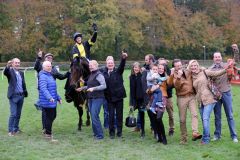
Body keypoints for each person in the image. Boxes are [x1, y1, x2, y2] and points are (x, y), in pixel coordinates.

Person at [188, 59, 230, 144]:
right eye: (192, 66)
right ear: (190, 67)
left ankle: (206, 139)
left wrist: (226, 69)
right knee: (204, 120)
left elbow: (216, 73)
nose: (194, 67)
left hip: (209, 99)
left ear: (198, 66)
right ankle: (205, 136)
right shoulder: (190, 76)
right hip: (200, 101)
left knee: (205, 118)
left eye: (195, 65)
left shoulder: (204, 72)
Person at [34, 50, 69, 133]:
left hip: (52, 92)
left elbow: (61, 77)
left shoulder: (53, 69)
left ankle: (47, 127)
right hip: (44, 93)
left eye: (51, 58)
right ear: (45, 59)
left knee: (52, 114)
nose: (50, 59)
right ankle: (45, 129)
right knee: (45, 111)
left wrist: (69, 73)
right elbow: (36, 66)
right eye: (48, 57)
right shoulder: (41, 66)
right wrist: (39, 57)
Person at [168, 59, 202, 144]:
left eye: (180, 65)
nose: (179, 67)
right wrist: (178, 77)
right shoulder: (173, 75)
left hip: (191, 96)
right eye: (177, 66)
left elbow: (196, 69)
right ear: (174, 67)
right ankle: (184, 139)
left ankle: (195, 132)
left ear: (182, 65)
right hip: (181, 98)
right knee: (182, 120)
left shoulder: (188, 71)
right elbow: (176, 86)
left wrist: (202, 68)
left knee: (194, 114)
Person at [209, 52, 238, 143]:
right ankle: (217, 135)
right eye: (216, 57)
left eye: (219, 57)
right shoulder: (210, 69)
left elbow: (235, 60)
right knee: (217, 116)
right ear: (213, 58)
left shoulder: (227, 65)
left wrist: (236, 51)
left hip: (226, 93)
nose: (217, 58)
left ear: (221, 58)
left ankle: (234, 136)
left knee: (230, 115)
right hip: (216, 95)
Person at [76, 60, 106, 140]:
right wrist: (82, 88)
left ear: (96, 65)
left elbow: (104, 85)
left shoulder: (99, 74)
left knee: (94, 116)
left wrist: (94, 88)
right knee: (93, 116)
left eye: (92, 65)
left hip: (98, 98)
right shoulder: (91, 74)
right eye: (89, 65)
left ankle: (100, 135)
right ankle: (95, 134)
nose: (90, 66)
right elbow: (89, 86)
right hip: (90, 98)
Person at [102, 51, 128, 138]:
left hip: (119, 97)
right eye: (108, 63)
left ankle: (119, 132)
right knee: (111, 115)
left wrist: (123, 58)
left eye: (111, 63)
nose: (110, 64)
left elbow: (122, 66)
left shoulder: (118, 71)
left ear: (113, 64)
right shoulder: (103, 73)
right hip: (109, 98)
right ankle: (111, 133)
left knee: (119, 115)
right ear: (106, 64)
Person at [38, 61, 62, 141]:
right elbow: (43, 89)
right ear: (43, 67)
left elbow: (53, 89)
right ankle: (48, 134)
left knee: (53, 116)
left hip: (52, 101)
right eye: (47, 66)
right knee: (49, 117)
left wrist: (58, 98)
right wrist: (49, 98)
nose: (49, 67)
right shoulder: (43, 76)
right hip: (47, 102)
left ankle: (46, 130)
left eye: (50, 66)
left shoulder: (50, 75)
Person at [4, 58, 28, 136]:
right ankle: (10, 131)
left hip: (21, 96)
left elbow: (23, 84)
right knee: (13, 114)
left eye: (18, 63)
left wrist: (25, 92)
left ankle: (16, 129)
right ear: (12, 64)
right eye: (16, 63)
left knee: (18, 114)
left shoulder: (21, 73)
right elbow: (5, 72)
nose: (17, 64)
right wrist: (7, 66)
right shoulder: (10, 72)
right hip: (13, 96)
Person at [158, 58, 175, 136]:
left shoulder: (168, 73)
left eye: (164, 64)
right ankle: (157, 129)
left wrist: (165, 88)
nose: (162, 66)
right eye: (161, 64)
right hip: (158, 97)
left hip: (168, 97)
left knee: (171, 114)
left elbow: (171, 85)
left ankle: (171, 129)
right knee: (158, 114)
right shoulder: (155, 74)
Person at [129, 62, 145, 138]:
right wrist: (131, 102)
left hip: (142, 99)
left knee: (142, 115)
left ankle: (143, 131)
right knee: (139, 114)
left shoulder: (142, 76)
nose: (136, 69)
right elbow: (131, 91)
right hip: (135, 99)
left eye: (137, 67)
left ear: (139, 68)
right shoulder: (131, 77)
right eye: (134, 67)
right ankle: (140, 129)